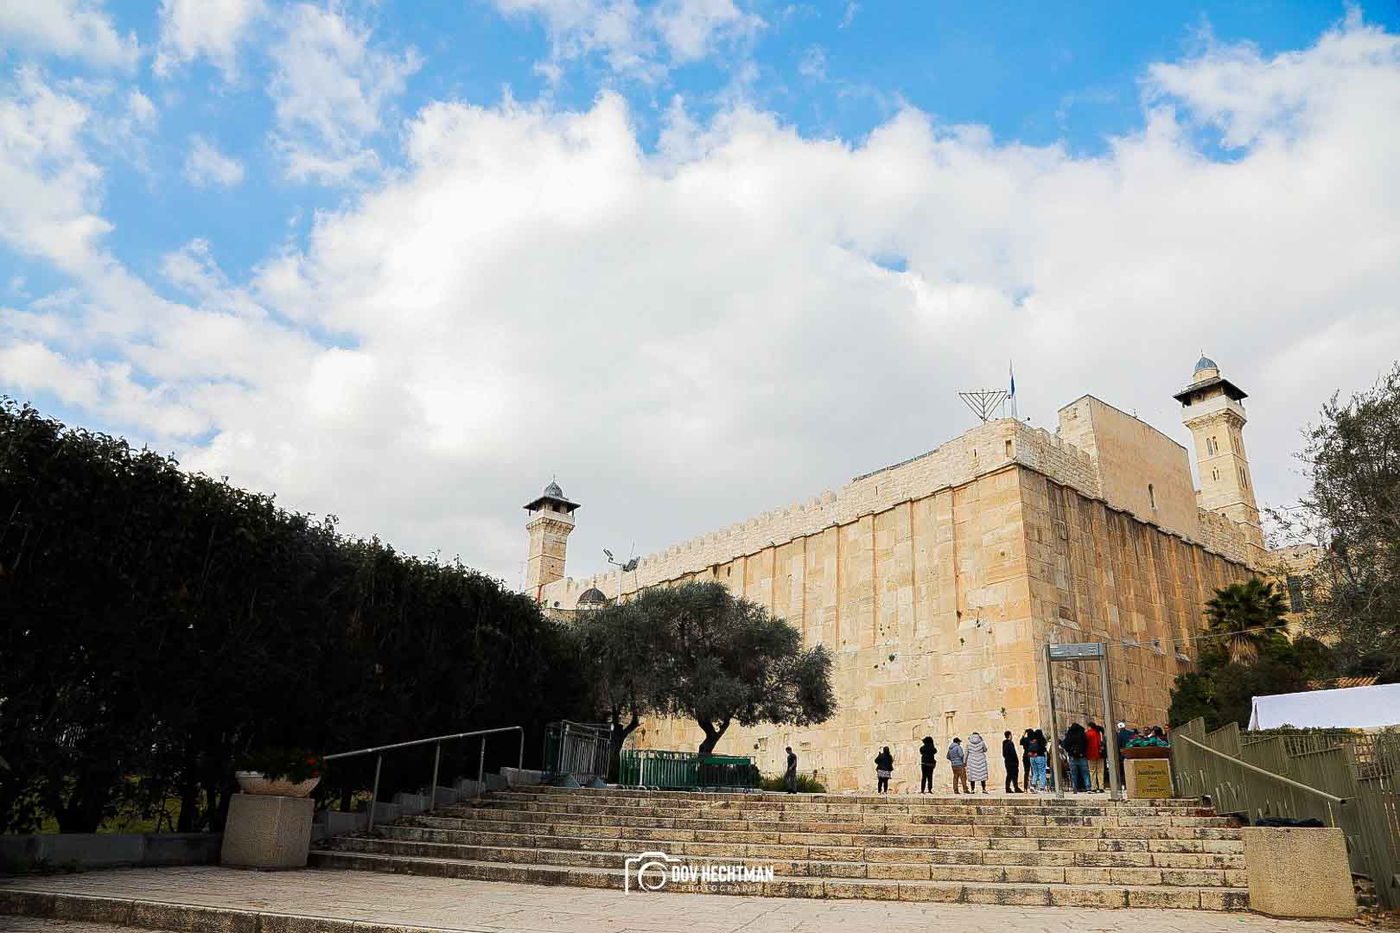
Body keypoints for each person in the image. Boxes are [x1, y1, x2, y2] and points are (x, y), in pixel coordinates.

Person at [1063, 723, 1090, 792]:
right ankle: (1088, 787)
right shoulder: (1082, 734)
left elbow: (1065, 744)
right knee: (1085, 773)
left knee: (1074, 774)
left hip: (1072, 756)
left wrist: (1070, 751)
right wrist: (1082, 752)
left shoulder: (1069, 735)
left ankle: (1075, 788)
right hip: (1082, 756)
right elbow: (1086, 744)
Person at [1086, 721, 1105, 792]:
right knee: (1100, 771)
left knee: (1092, 771)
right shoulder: (1099, 733)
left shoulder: (1088, 734)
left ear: (1089, 726)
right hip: (1100, 754)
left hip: (1091, 755)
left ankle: (1093, 787)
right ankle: (1101, 787)